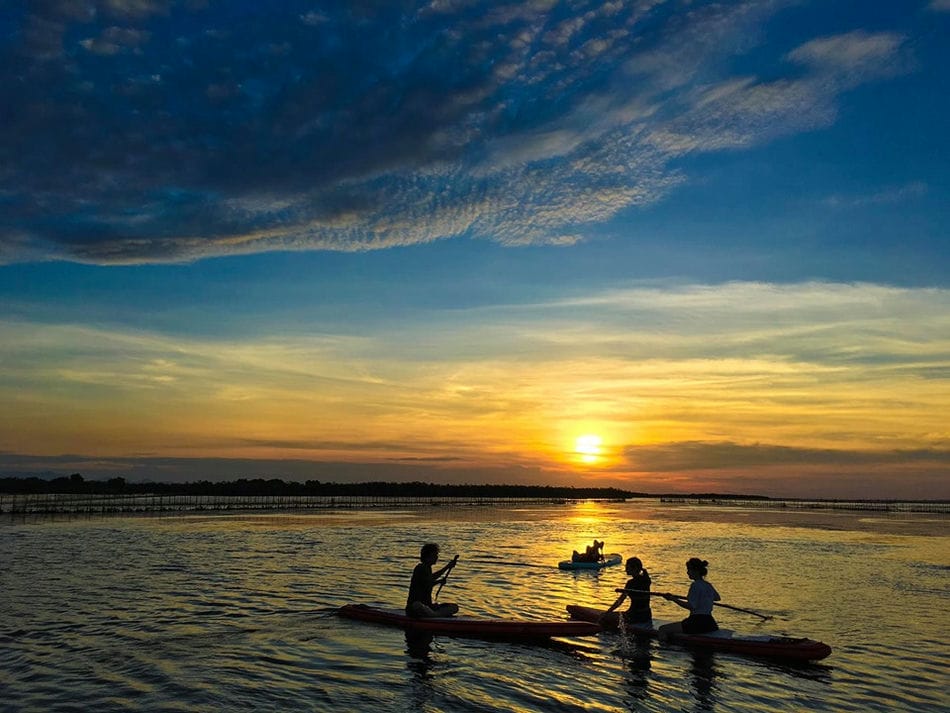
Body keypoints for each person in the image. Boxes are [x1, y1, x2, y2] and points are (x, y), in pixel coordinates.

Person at [657, 558, 720, 640]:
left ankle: (664, 649)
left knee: (662, 629)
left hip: (696, 622)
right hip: (710, 623)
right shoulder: (708, 585)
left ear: (696, 571)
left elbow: (691, 606)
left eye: (689, 570)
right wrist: (704, 598)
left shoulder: (695, 585)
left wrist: (673, 599)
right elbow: (717, 598)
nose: (687, 572)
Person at [405, 543, 460, 618]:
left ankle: (434, 614)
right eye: (435, 555)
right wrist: (446, 568)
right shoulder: (420, 568)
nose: (437, 557)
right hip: (415, 607)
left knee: (454, 607)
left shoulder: (428, 568)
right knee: (417, 605)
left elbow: (431, 578)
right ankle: (435, 615)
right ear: (428, 556)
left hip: (428, 607)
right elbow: (428, 584)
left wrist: (441, 577)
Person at [602, 556, 652, 625]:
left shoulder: (630, 583)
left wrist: (607, 612)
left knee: (606, 617)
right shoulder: (646, 579)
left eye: (627, 568)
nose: (625, 570)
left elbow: (620, 600)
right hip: (647, 615)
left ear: (634, 568)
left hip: (634, 616)